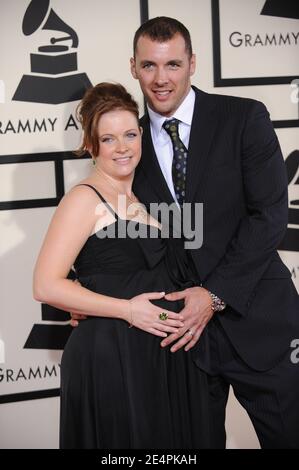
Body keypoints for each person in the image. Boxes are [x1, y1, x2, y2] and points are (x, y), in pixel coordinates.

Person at [73, 16, 299, 449]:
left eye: (173, 65)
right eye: (150, 66)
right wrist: (89, 295)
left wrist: (212, 294)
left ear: (193, 63)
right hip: (179, 345)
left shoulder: (243, 117)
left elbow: (269, 215)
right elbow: (116, 231)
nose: (161, 79)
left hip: (260, 324)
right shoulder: (126, 144)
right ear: (134, 67)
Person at [33, 82, 211, 449]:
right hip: (111, 359)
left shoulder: (143, 197)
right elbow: (46, 286)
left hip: (157, 361)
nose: (123, 147)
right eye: (109, 138)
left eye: (130, 134)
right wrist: (128, 310)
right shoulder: (84, 198)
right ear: (91, 144)